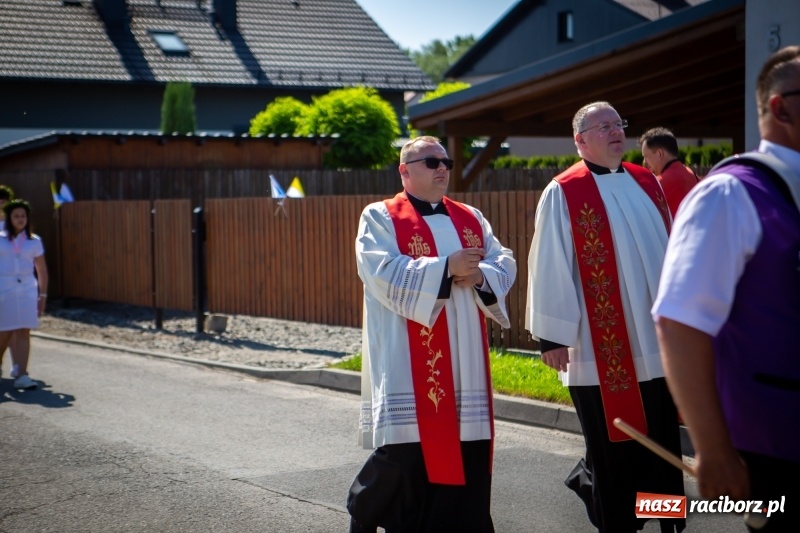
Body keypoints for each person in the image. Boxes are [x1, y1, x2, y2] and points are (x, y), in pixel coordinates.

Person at [652, 45, 800, 532]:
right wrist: (713, 447)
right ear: (781, 107)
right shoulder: (730, 194)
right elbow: (680, 318)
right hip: (778, 446)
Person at [525, 102, 685, 532]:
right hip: (601, 349)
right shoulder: (564, 191)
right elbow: (550, 263)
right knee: (615, 447)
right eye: (603, 127)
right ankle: (619, 522)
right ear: (580, 141)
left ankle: (665, 518)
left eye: (619, 124)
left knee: (660, 440)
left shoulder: (645, 181)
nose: (615, 132)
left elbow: (669, 251)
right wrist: (551, 337)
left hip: (654, 344)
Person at [347, 135, 517, 533]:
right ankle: (365, 510)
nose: (442, 168)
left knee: (466, 448)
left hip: (466, 360)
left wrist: (479, 274)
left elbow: (503, 260)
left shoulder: (470, 217)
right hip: (408, 359)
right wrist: (445, 268)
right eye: (430, 162)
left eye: (447, 162)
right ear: (404, 171)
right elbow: (380, 271)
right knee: (406, 453)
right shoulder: (382, 216)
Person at [0, 199, 48, 389]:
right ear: (9, 218)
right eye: (16, 216)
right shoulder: (1, 239)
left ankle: (22, 374)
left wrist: (42, 295)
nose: (20, 219)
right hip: (5, 289)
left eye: (23, 216)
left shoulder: (33, 241)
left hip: (27, 289)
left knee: (24, 331)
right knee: (5, 331)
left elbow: (42, 270)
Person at [638, 127, 699, 217]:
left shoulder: (657, 184)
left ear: (659, 154)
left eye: (646, 157)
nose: (644, 162)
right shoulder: (692, 175)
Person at [0, 184, 24, 381]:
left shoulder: (14, 229)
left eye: (4, 203)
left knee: (14, 327)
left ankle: (18, 367)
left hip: (11, 285)